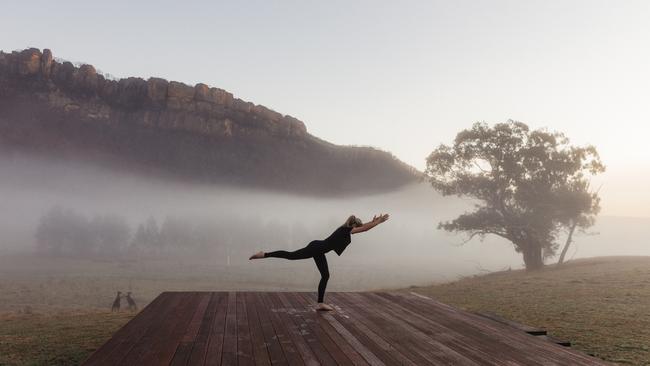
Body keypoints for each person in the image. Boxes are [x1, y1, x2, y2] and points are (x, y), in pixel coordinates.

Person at [249, 213, 390, 311]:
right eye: (356, 227)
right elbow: (364, 229)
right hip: (316, 248)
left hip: (319, 248)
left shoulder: (345, 228)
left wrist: (374, 222)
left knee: (325, 275)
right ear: (353, 225)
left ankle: (320, 303)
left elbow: (363, 226)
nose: (357, 230)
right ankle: (265, 254)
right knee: (291, 256)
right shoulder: (346, 230)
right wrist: (377, 222)